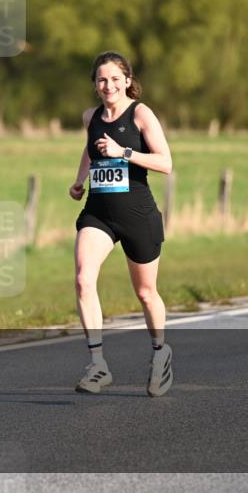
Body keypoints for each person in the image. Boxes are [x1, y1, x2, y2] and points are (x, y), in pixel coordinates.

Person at [68, 52, 174, 397]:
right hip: (99, 212)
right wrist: (80, 179)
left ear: (127, 80)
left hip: (137, 214)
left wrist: (123, 153)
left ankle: (161, 354)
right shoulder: (91, 117)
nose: (108, 85)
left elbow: (165, 163)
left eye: (115, 78)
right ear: (95, 84)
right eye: (101, 80)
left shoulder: (141, 114)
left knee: (145, 293)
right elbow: (89, 149)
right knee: (84, 278)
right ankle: (97, 365)